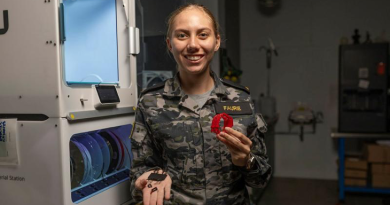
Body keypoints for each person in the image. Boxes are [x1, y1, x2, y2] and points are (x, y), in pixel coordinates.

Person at [129, 3, 271, 205]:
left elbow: (261, 179)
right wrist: (151, 178)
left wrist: (246, 161)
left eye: (203, 35)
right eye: (182, 35)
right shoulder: (150, 102)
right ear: (170, 44)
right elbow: (139, 171)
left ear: (217, 42)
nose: (193, 45)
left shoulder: (240, 99)